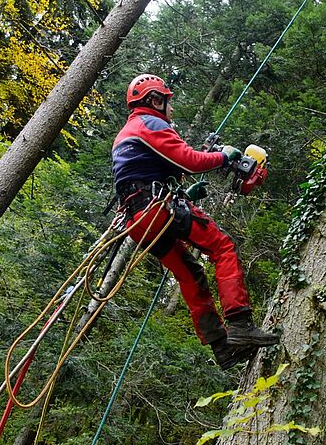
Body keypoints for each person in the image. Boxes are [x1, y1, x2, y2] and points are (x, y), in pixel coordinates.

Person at [112, 74, 278, 370]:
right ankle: (240, 323)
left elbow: (153, 171)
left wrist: (185, 192)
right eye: (167, 101)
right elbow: (189, 160)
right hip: (156, 208)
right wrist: (223, 157)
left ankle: (222, 348)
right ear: (154, 100)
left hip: (137, 220)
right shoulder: (149, 123)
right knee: (222, 247)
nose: (171, 109)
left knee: (190, 274)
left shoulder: (129, 132)